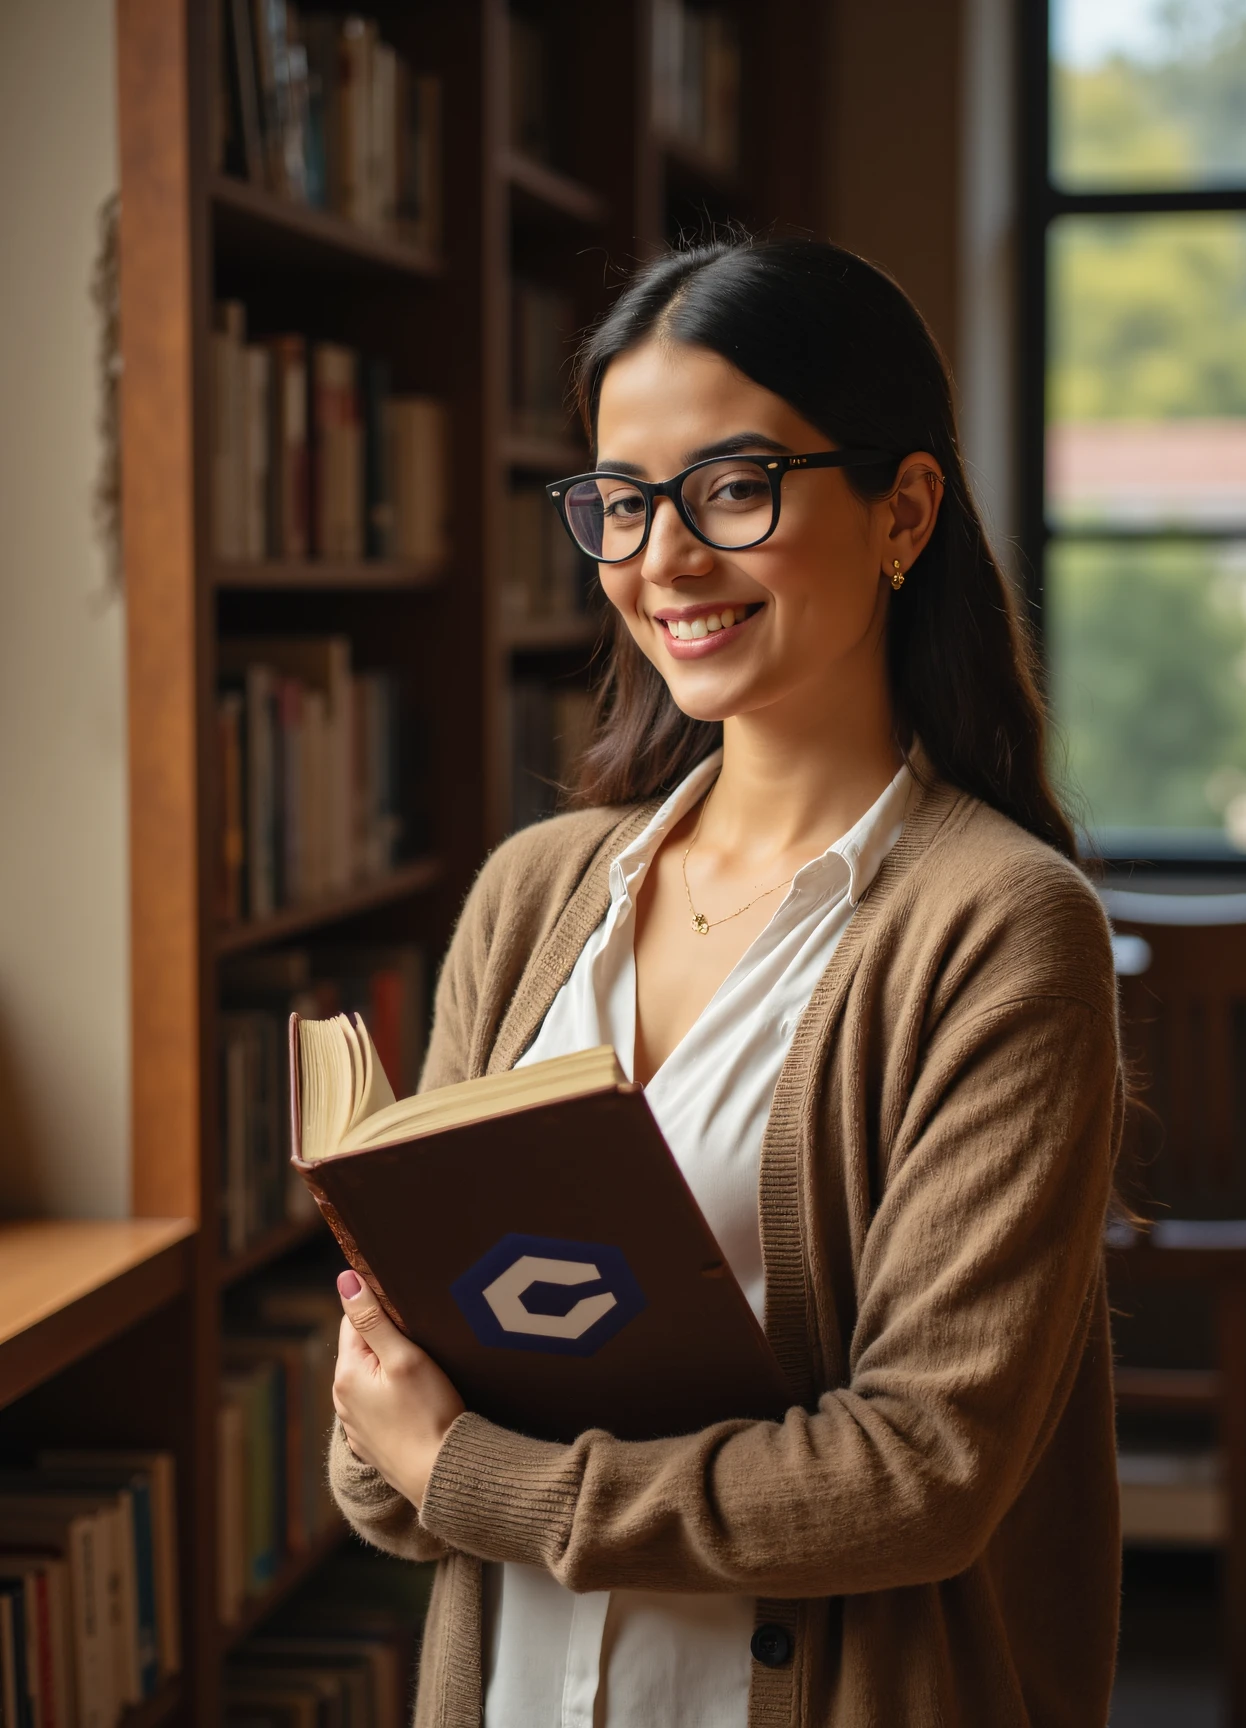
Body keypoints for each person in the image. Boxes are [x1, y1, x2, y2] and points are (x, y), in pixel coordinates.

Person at [328, 237, 1123, 1728]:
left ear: (904, 509)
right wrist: (415, 1450)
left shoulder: (1003, 926)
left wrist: (472, 1470)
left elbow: (918, 1476)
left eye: (735, 487)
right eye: (620, 502)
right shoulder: (535, 894)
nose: (663, 556)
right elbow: (379, 1466)